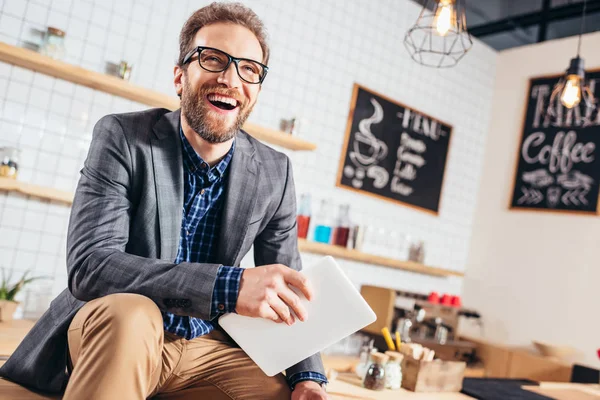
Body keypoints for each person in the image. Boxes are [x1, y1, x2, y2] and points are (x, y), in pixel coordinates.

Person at [0, 3, 328, 399]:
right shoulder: (122, 136)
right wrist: (229, 286)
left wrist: (309, 377)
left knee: (285, 390)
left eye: (249, 69)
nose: (230, 78)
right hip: (121, 332)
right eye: (212, 59)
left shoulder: (276, 171)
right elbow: (91, 266)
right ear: (180, 77)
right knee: (132, 315)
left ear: (256, 92)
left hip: (206, 350)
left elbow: (289, 291)